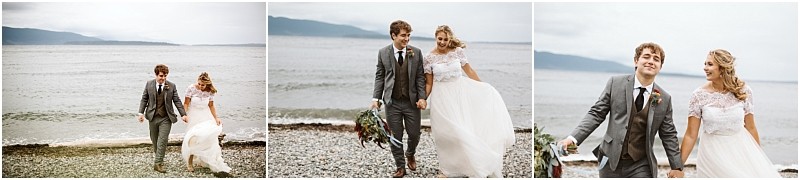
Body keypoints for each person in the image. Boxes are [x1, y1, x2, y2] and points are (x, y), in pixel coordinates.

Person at [558, 42, 685, 178]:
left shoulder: (665, 98)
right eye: (646, 57)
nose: (651, 61)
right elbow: (596, 114)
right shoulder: (615, 83)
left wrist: (676, 166)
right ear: (636, 61)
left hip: (641, 164)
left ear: (660, 67)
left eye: (656, 59)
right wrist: (573, 139)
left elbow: (668, 134)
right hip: (610, 159)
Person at [423, 25, 515, 178]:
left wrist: (482, 87)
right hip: (441, 99)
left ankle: (477, 161)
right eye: (440, 39)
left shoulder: (457, 52)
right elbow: (428, 83)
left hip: (460, 96)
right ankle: (447, 168)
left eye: (446, 39)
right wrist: (423, 99)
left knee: (462, 131)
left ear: (450, 39)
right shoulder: (429, 58)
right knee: (445, 135)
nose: (443, 42)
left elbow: (470, 71)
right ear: (435, 38)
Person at [679, 49, 780, 177]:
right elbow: (690, 135)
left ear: (722, 68)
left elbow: (751, 127)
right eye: (705, 64)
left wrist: (758, 158)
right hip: (711, 154)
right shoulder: (699, 95)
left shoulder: (744, 91)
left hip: (740, 152)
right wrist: (678, 166)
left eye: (709, 64)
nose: (704, 68)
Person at [370, 20, 427, 178]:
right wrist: (376, 98)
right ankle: (400, 167)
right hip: (392, 102)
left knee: (414, 134)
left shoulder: (416, 52)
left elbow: (420, 78)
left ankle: (410, 153)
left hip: (411, 102)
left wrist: (422, 97)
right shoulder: (383, 53)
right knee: (395, 136)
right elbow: (380, 77)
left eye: (408, 35)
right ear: (393, 35)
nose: (406, 39)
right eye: (403, 35)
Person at [138, 64, 189, 173]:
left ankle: (158, 163)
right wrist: (140, 113)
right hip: (152, 116)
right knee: (155, 140)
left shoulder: (172, 86)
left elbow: (177, 101)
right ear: (156, 75)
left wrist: (183, 114)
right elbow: (144, 99)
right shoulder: (149, 84)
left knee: (163, 140)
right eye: (161, 76)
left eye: (165, 76)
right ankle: (159, 158)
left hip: (166, 117)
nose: (163, 78)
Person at [182, 72, 233, 177]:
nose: (200, 86)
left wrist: (216, 118)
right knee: (192, 138)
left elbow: (211, 106)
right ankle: (190, 162)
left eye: (203, 85)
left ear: (207, 84)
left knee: (207, 138)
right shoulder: (191, 88)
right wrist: (184, 114)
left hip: (206, 116)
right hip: (193, 116)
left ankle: (203, 160)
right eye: (199, 84)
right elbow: (186, 103)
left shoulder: (210, 91)